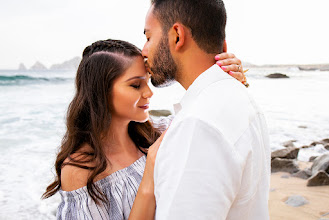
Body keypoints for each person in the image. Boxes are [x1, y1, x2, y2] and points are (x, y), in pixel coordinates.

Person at [42, 39, 247, 219]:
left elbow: (214, 118)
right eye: (135, 85)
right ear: (101, 93)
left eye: (147, 82)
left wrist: (231, 81)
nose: (149, 92)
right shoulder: (81, 168)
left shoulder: (158, 133)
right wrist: (149, 175)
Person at [142, 0, 271, 219]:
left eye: (148, 37)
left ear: (177, 36)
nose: (143, 50)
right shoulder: (242, 98)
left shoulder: (197, 125)